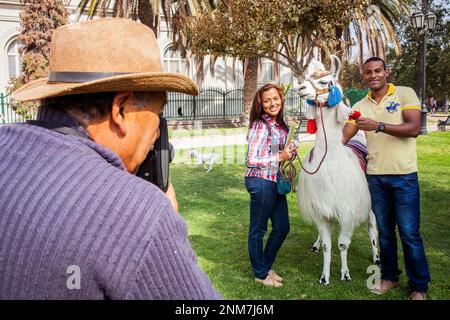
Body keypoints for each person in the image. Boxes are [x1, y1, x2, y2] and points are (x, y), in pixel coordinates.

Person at [0, 18, 221, 300]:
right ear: (121, 110)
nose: (158, 130)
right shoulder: (140, 215)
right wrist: (161, 222)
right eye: (159, 111)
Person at [343, 57, 431, 300]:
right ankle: (390, 277)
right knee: (384, 232)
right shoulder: (361, 104)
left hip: (404, 177)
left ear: (386, 72)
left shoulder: (404, 93)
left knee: (409, 233)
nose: (373, 75)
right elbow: (344, 136)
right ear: (364, 76)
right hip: (375, 179)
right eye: (368, 72)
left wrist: (378, 126)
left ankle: (419, 287)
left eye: (378, 71)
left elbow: (413, 128)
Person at [244, 83, 295, 287]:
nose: (272, 103)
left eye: (275, 98)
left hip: (274, 180)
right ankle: (261, 274)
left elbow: (277, 152)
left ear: (281, 99)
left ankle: (264, 266)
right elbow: (251, 160)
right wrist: (279, 156)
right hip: (260, 180)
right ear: (261, 104)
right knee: (258, 229)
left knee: (282, 227)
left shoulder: (279, 125)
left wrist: (289, 152)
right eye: (267, 100)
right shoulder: (259, 125)